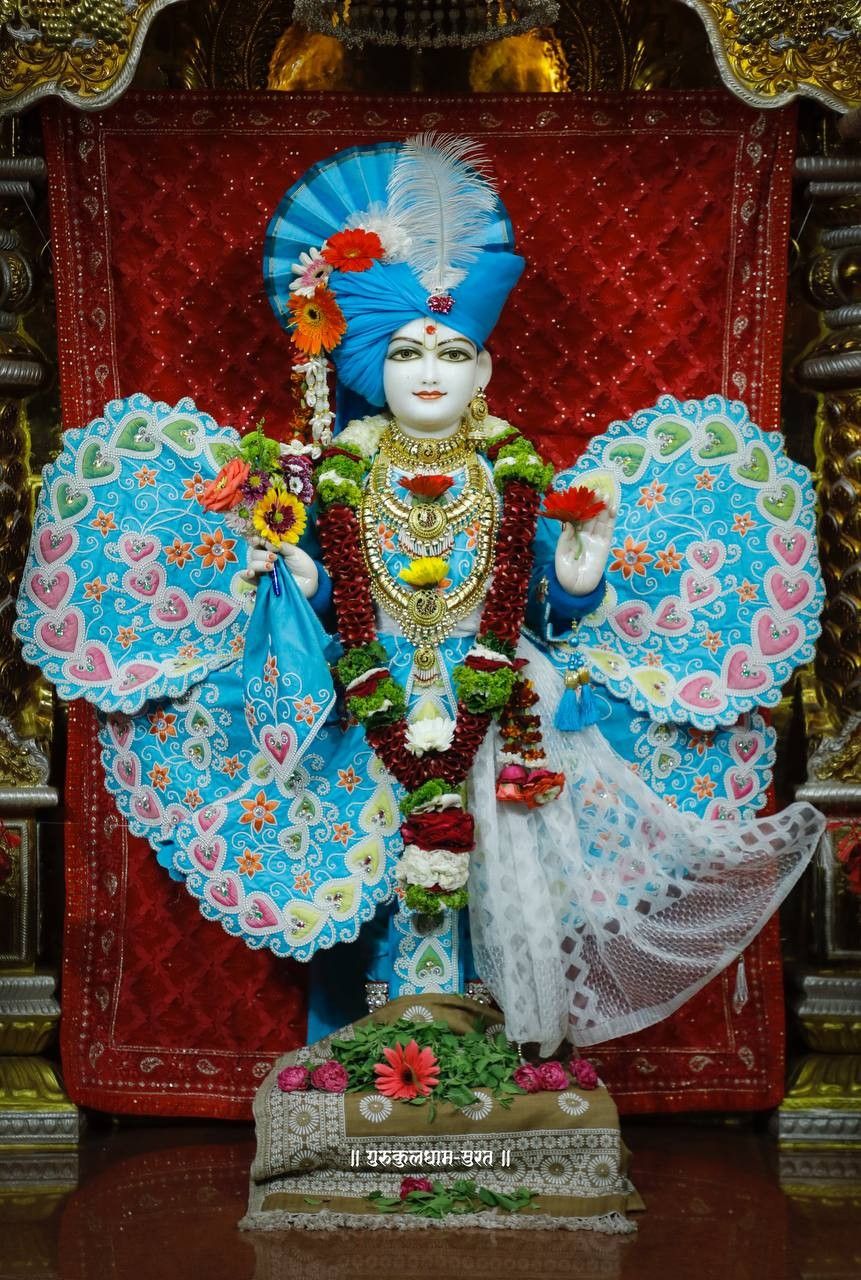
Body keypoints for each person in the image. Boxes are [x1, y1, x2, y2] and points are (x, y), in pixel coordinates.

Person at [15, 134, 825, 1056]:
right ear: (373, 371)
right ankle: (361, 1061)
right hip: (372, 700)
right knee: (366, 885)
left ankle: (490, 1056)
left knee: (497, 886)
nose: (429, 370)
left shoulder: (513, 476)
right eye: (406, 352)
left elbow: (547, 596)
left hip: (497, 700)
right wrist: (296, 570)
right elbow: (321, 594)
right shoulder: (337, 475)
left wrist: (583, 569)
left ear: (482, 370)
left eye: (450, 351)